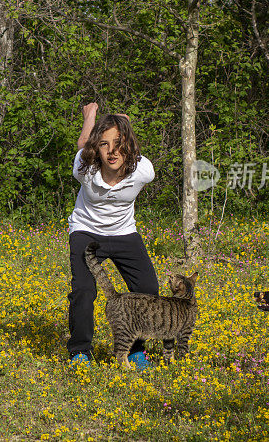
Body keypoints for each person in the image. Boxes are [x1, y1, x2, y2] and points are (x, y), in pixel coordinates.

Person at [67, 102, 159, 370]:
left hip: (124, 233)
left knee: (148, 290)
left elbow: (122, 140)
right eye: (105, 145)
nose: (112, 151)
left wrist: (121, 122)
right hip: (86, 231)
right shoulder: (85, 168)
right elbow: (85, 143)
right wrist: (90, 117)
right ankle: (80, 351)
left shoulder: (143, 170)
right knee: (84, 290)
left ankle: (135, 351)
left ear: (129, 146)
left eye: (119, 143)